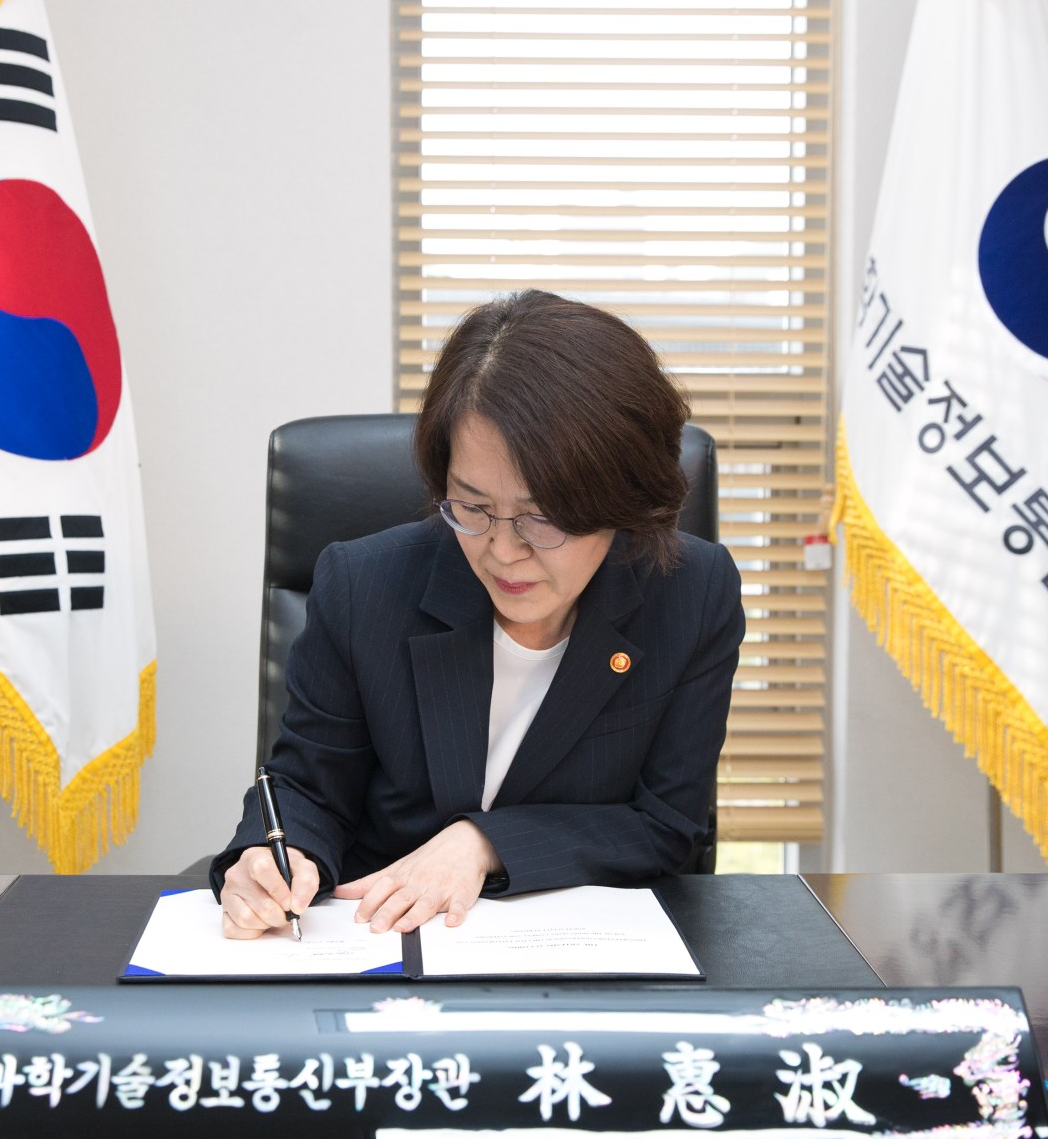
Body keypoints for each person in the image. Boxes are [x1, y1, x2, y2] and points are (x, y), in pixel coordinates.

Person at [212, 289, 746, 939]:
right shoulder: (364, 585)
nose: (502, 549)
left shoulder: (689, 594)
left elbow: (666, 825)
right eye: (472, 505)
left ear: (621, 501)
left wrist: (482, 842)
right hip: (383, 947)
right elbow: (308, 786)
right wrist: (273, 857)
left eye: (542, 517)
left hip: (581, 957)